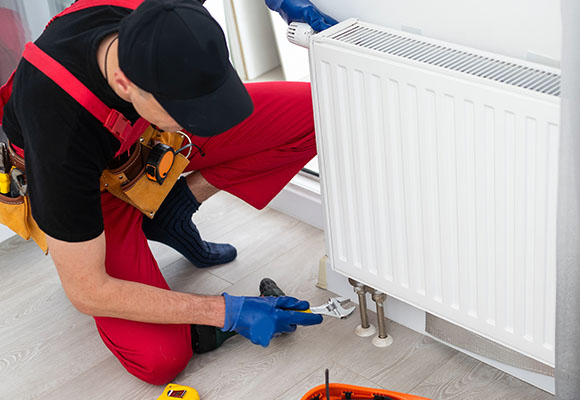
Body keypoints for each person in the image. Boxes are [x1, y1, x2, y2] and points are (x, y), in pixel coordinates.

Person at [0, 0, 337, 385]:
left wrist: (288, 5)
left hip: (148, 138)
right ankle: (191, 314)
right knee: (160, 360)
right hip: (98, 190)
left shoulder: (160, 17)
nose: (206, 120)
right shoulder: (61, 139)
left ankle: (174, 210)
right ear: (125, 83)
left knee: (319, 113)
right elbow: (87, 290)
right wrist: (224, 311)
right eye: (189, 110)